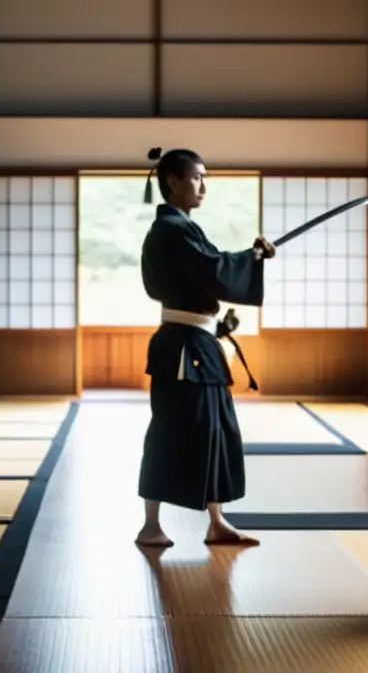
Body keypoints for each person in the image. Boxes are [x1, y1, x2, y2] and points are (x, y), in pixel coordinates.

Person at [135, 147, 275, 548]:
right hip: (184, 346)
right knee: (171, 430)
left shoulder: (180, 229)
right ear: (172, 182)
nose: (203, 186)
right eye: (197, 177)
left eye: (205, 177)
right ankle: (150, 525)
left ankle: (216, 521)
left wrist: (250, 258)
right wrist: (252, 257)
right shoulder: (172, 232)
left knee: (215, 429)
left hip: (197, 341)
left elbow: (210, 267)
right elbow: (212, 269)